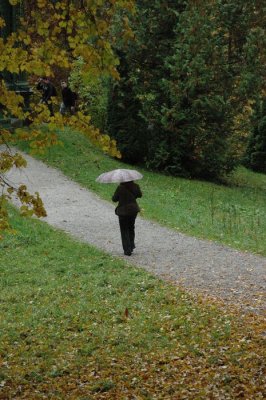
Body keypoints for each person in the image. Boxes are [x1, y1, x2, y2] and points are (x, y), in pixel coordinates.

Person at [112, 181, 142, 256]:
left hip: (123, 211)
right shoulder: (135, 186)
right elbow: (140, 195)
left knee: (124, 229)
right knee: (131, 227)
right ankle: (131, 246)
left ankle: (127, 250)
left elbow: (114, 199)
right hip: (133, 210)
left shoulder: (120, 188)